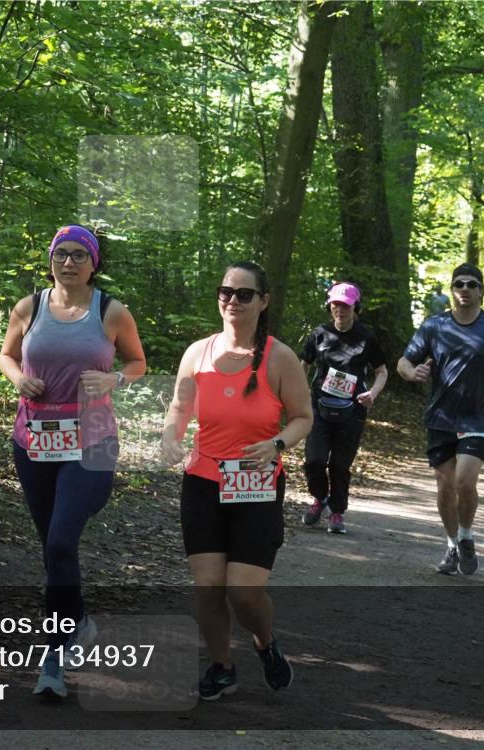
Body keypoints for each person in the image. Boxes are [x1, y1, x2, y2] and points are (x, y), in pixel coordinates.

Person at [0, 224, 146, 698]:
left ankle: (53, 657)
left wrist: (115, 381)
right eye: (61, 254)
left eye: (79, 255)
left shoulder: (111, 311)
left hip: (92, 444)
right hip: (35, 442)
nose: (69, 262)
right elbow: (6, 355)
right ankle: (77, 619)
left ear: (94, 263)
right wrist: (18, 378)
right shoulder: (29, 307)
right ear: (50, 260)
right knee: (54, 549)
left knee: (61, 541)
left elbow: (137, 362)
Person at [161, 261, 312, 700]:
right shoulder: (198, 353)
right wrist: (171, 437)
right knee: (208, 587)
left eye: (245, 294)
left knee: (244, 592)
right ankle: (222, 666)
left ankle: (265, 642)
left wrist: (278, 444)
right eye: (226, 291)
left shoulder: (280, 358)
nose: (232, 300)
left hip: (257, 484)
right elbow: (178, 409)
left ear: (263, 302)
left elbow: (303, 417)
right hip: (204, 481)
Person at [397, 263, 484, 576]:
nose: (464, 289)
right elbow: (403, 361)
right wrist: (412, 372)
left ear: (481, 290)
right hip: (440, 416)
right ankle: (453, 545)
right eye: (458, 284)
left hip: (477, 417)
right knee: (444, 486)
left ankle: (467, 536)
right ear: (453, 290)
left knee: (464, 481)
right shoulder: (434, 326)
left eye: (471, 284)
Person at [299, 282, 387, 535]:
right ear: (329, 306)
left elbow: (382, 371)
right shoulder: (320, 334)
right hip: (319, 408)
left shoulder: (366, 336)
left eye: (346, 305)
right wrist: (302, 389)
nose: (340, 310)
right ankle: (319, 498)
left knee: (339, 465)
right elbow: (302, 363)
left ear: (355, 307)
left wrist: (373, 393)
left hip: (353, 411)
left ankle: (337, 512)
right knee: (314, 461)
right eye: (336, 304)